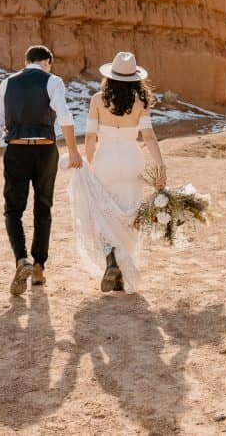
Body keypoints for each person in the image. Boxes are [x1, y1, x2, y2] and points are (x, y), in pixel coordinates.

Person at [0, 45, 83, 295]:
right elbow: (65, 117)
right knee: (43, 207)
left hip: (17, 150)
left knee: (13, 210)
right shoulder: (52, 80)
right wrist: (73, 150)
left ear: (26, 61)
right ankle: (39, 267)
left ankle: (21, 260)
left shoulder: (8, 83)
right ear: (47, 62)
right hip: (45, 150)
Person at [67, 52, 166, 293]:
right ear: (135, 79)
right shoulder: (140, 102)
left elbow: (90, 137)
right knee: (128, 216)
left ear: (109, 77)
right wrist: (161, 166)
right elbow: (149, 137)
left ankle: (111, 260)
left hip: (105, 160)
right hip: (132, 160)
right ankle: (120, 272)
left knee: (103, 214)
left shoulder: (98, 100)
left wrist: (89, 165)